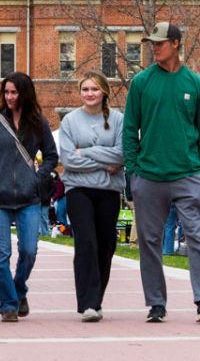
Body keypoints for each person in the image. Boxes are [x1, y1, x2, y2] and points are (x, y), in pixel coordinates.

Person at [122, 22, 200, 323]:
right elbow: (130, 130)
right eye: (152, 43)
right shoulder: (141, 82)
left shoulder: (194, 83)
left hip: (188, 174)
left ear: (176, 43)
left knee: (196, 237)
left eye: (159, 43)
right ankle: (156, 303)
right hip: (149, 176)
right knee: (149, 242)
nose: (154, 48)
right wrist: (133, 173)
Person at [0, 71, 58, 322]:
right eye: (7, 92)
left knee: (29, 251)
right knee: (2, 255)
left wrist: (38, 177)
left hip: (28, 198)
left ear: (25, 94)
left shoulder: (38, 123)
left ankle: (19, 289)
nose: (9, 97)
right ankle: (8, 305)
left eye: (14, 92)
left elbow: (51, 155)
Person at [58, 71, 125, 322]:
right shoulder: (70, 121)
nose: (89, 94)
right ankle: (88, 304)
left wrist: (86, 151)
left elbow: (121, 154)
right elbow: (69, 160)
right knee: (86, 242)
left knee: (106, 245)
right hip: (78, 189)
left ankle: (97, 300)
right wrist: (104, 161)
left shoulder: (118, 120)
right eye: (85, 89)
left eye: (94, 89)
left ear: (104, 92)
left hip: (108, 190)